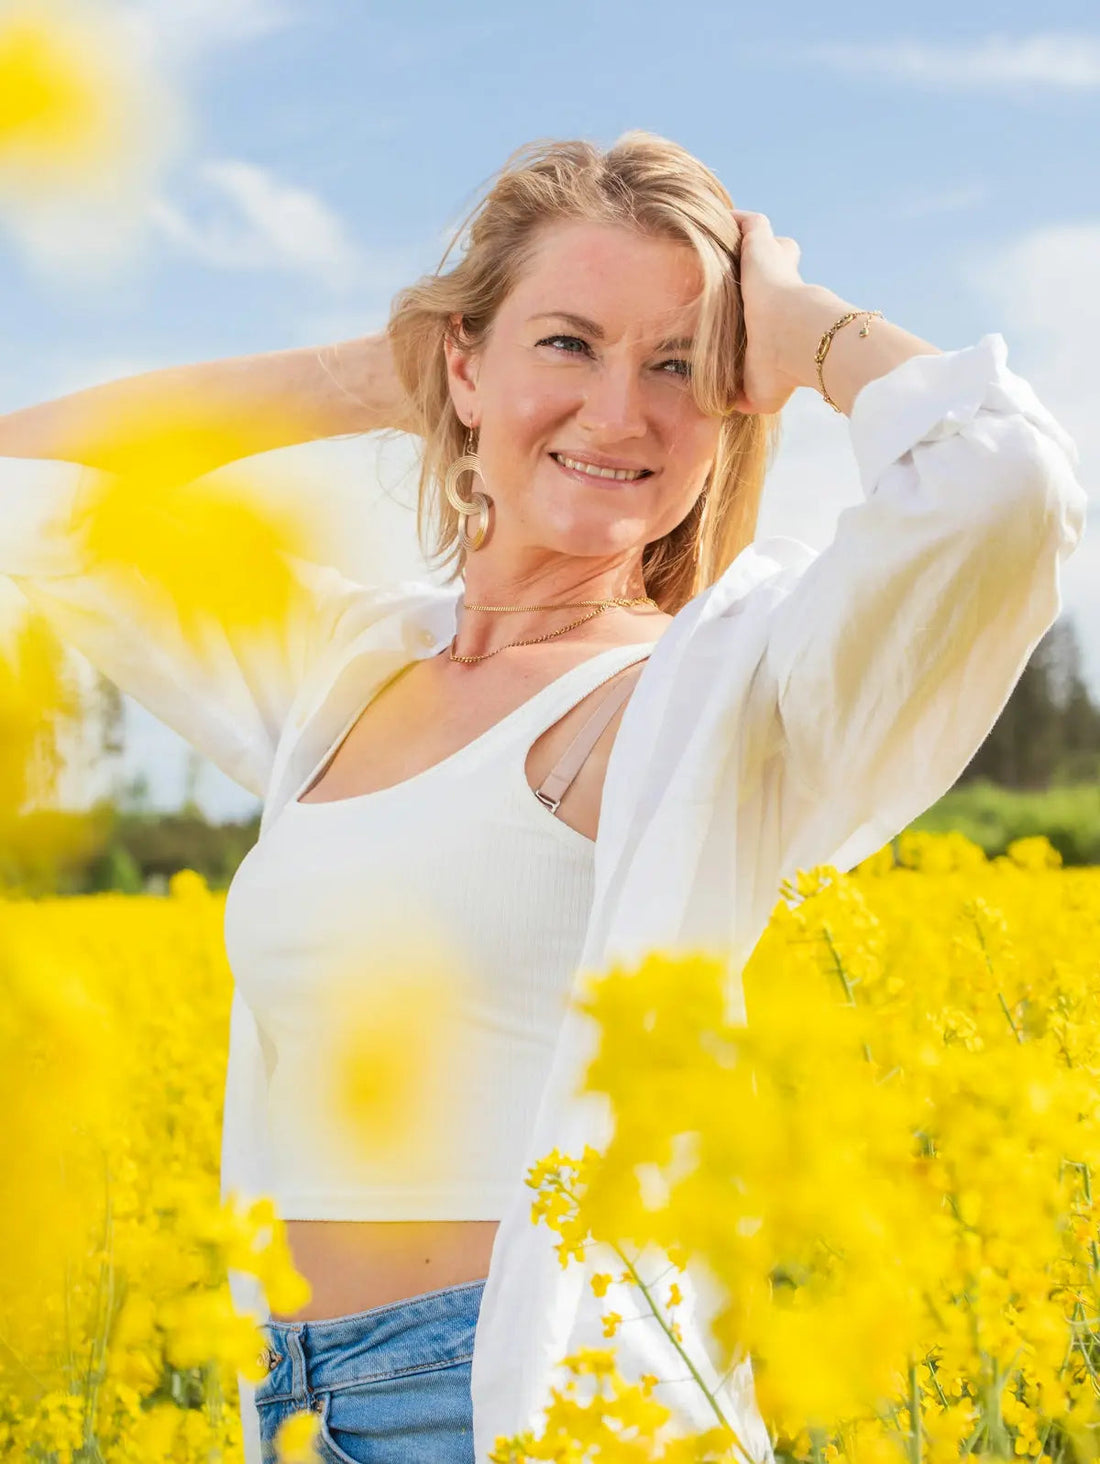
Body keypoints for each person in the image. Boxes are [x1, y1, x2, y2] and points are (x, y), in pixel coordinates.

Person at [0, 131, 1087, 1464]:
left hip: (542, 1412)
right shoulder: (344, 665)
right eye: (567, 343)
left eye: (681, 363)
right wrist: (376, 374)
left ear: (735, 405)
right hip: (290, 1404)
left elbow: (1006, 486)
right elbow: (27, 487)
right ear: (466, 363)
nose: (621, 414)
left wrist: (803, 333)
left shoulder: (732, 694)